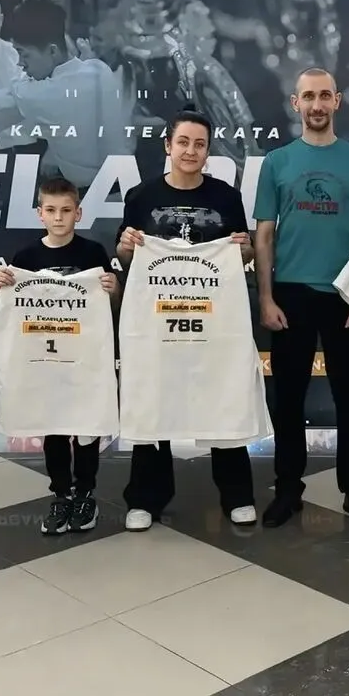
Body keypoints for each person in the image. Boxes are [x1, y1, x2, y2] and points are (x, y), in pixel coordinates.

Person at [254, 67, 349, 529]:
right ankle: (288, 490)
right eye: (308, 96)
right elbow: (264, 235)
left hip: (344, 294)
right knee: (288, 400)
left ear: (336, 102)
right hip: (290, 293)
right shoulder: (277, 162)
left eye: (324, 96)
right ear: (295, 103)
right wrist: (266, 298)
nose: (316, 104)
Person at [116, 106, 257, 531]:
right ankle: (145, 498)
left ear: (208, 151)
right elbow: (126, 257)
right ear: (168, 146)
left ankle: (237, 495)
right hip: (158, 320)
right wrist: (126, 245)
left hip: (213, 320)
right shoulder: (141, 197)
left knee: (223, 393)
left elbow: (243, 254)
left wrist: (243, 248)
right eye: (183, 142)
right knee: (152, 397)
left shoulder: (225, 197)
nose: (191, 151)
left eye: (199, 144)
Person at [0, 177, 118, 535]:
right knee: (54, 427)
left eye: (66, 210)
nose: (58, 217)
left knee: (87, 426)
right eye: (51, 210)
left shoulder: (93, 252)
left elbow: (108, 303)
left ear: (78, 213)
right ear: (40, 214)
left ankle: (86, 494)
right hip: (44, 361)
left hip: (83, 359)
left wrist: (113, 288)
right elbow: (12, 305)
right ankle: (61, 494)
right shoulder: (26, 257)